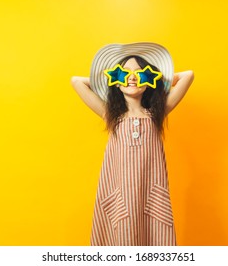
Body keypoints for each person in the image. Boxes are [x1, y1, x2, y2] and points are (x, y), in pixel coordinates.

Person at [71, 42, 194, 246]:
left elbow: (188, 75)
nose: (132, 77)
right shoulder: (110, 115)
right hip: (121, 196)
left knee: (153, 238)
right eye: (124, 74)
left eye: (140, 74)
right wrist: (113, 78)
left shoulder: (156, 114)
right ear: (115, 81)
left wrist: (155, 78)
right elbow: (76, 81)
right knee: (121, 237)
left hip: (151, 196)